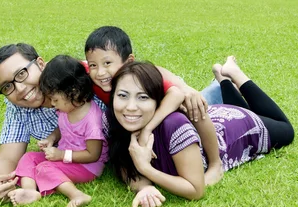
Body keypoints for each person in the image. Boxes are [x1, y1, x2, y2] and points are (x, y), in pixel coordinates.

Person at [0, 41, 224, 203]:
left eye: (22, 74)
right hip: (122, 137)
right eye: (8, 86)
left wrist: (183, 87)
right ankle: (224, 82)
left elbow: (138, 70)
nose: (20, 88)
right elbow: (6, 158)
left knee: (197, 103)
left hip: (145, 108)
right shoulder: (17, 108)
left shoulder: (75, 75)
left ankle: (216, 160)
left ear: (40, 64)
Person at [106, 57, 294, 207]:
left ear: (158, 101)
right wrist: (145, 188)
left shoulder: (173, 125)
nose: (130, 107)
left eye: (143, 97)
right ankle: (223, 80)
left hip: (236, 127)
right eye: (122, 95)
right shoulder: (117, 123)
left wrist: (146, 168)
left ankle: (236, 74)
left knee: (286, 130)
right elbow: (125, 168)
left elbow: (195, 189)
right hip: (211, 117)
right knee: (238, 107)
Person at [84, 26, 224, 185]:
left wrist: (147, 128)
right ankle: (219, 85)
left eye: (107, 63)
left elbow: (177, 94)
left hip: (168, 101)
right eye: (93, 66)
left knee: (193, 102)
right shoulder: (94, 76)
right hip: (138, 113)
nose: (100, 72)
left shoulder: (141, 78)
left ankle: (215, 163)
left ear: (129, 61)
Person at [7, 55, 108, 207]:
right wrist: (51, 139)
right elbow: (63, 128)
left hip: (87, 166)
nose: (52, 104)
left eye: (54, 99)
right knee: (29, 157)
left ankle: (76, 195)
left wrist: (61, 155)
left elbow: (93, 154)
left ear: (73, 92)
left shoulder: (92, 119)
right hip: (67, 155)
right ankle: (30, 191)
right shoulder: (66, 108)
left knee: (45, 168)